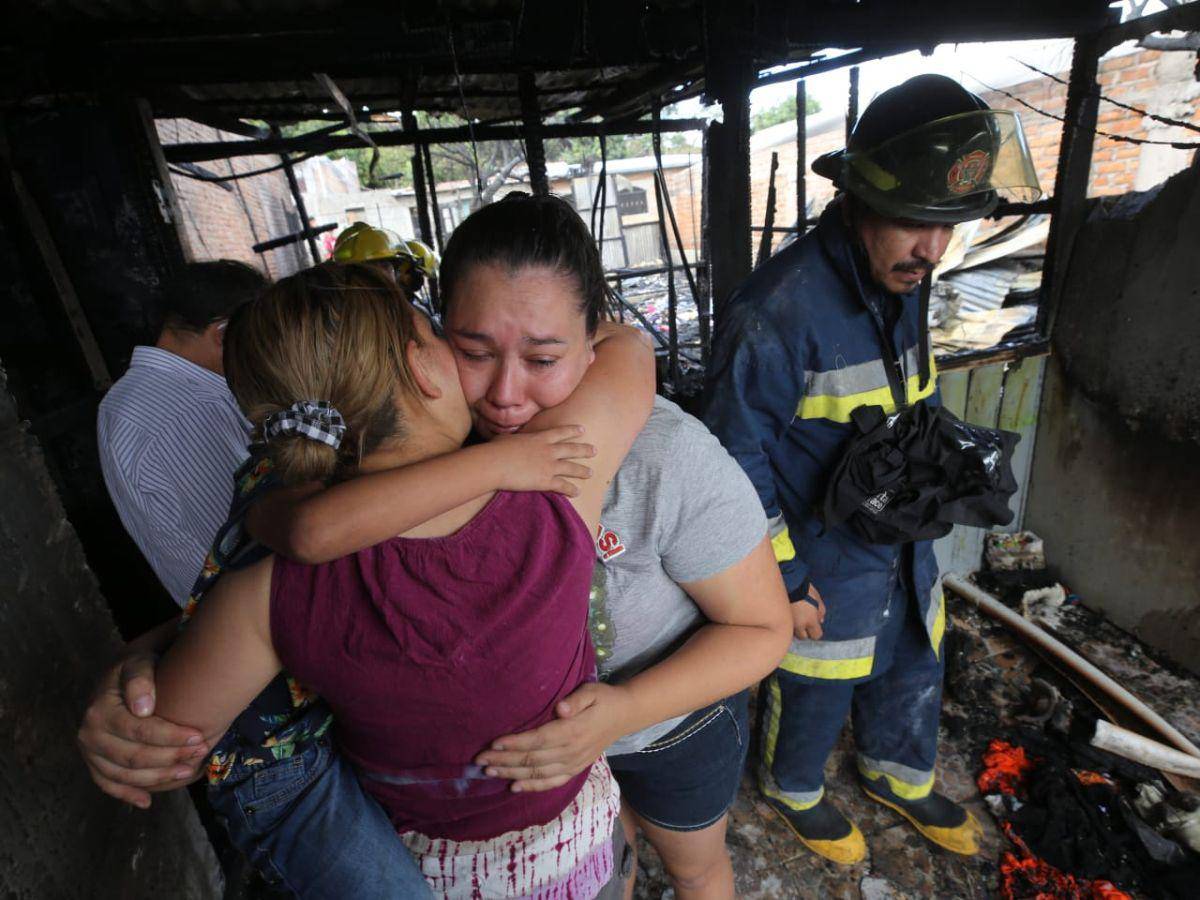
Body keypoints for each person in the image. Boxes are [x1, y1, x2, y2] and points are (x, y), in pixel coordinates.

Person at [80, 195, 792, 899]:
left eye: (544, 357)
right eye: (474, 351)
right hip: (560, 795)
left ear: (592, 340)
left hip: (662, 729)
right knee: (617, 853)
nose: (507, 396)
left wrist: (621, 712)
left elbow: (763, 627)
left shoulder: (631, 456)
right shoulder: (495, 489)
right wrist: (140, 671)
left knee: (693, 864)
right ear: (433, 353)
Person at [153, 260, 655, 898]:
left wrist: (138, 669)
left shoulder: (270, 588)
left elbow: (167, 736)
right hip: (582, 850)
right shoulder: (556, 485)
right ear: (424, 366)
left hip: (429, 873)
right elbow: (626, 346)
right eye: (454, 343)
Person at [704, 74, 1042, 865]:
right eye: (914, 222)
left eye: (949, 226)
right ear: (855, 201)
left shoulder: (904, 284)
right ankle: (794, 788)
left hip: (902, 530)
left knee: (915, 653)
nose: (932, 249)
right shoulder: (777, 312)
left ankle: (897, 771)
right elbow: (732, 458)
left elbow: (904, 398)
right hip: (821, 551)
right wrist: (781, 581)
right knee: (820, 674)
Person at [97, 259, 267, 606]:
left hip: (227, 615)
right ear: (223, 334)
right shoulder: (185, 406)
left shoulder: (129, 398)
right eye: (262, 337)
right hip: (252, 611)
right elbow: (252, 533)